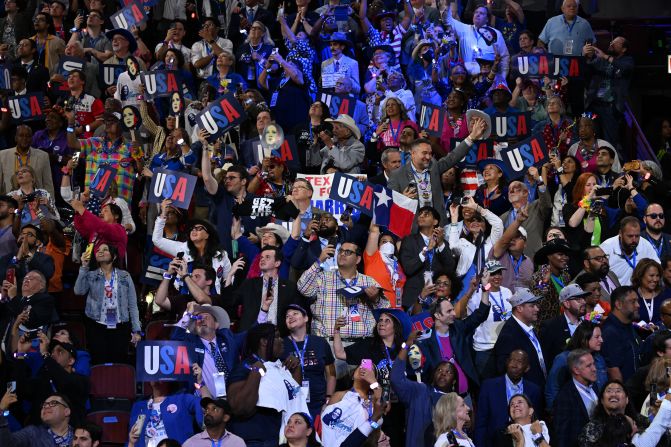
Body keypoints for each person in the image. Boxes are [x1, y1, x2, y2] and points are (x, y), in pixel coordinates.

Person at [388, 117, 488, 224]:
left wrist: (472, 137)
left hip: (437, 227)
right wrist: (402, 199)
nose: (428, 157)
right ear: (413, 153)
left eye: (430, 153)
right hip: (413, 228)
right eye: (424, 153)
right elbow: (389, 207)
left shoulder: (433, 166)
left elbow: (453, 157)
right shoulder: (397, 175)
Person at [227, 323, 306, 447]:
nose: (282, 341)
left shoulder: (278, 366)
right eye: (277, 337)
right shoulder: (244, 368)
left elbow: (293, 398)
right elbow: (240, 408)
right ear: (264, 341)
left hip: (277, 439)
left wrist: (296, 369)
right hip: (254, 440)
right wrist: (255, 373)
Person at [417, 275, 491, 394]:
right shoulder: (426, 340)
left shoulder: (458, 328)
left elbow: (481, 314)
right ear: (438, 316)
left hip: (465, 396)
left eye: (452, 309)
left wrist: (486, 287)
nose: (454, 313)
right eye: (449, 311)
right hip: (439, 399)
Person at [390, 329, 458, 447]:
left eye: (448, 372)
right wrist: (407, 345)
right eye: (439, 370)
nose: (443, 373)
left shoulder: (457, 402)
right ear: (433, 375)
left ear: (454, 381)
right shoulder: (419, 390)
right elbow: (396, 378)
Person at [75, 243, 141, 364]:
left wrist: (136, 329)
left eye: (105, 250)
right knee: (99, 361)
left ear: (114, 256)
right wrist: (84, 267)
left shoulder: (125, 276)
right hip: (97, 326)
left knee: (119, 362)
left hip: (120, 326)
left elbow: (132, 304)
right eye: (98, 250)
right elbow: (78, 291)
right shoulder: (91, 275)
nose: (100, 252)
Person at [154, 201, 231, 294]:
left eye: (199, 228)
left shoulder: (221, 254)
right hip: (186, 299)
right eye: (192, 229)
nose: (194, 230)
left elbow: (228, 278)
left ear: (207, 235)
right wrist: (163, 214)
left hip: (212, 301)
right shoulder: (182, 248)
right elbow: (156, 240)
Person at [171, 303, 244, 396]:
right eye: (198, 318)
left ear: (216, 325)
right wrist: (189, 314)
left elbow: (251, 334)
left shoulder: (227, 339)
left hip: (234, 397)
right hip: (204, 401)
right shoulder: (191, 342)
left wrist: (264, 311)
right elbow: (175, 338)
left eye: (206, 317)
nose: (201, 320)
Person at [475, 350, 543, 447]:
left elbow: (535, 420)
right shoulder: (488, 386)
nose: (514, 365)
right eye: (511, 360)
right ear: (507, 362)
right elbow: (481, 423)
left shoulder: (534, 390)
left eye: (519, 361)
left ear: (527, 368)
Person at [283, 304, 336, 419]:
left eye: (295, 314)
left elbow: (331, 374)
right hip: (290, 403)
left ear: (306, 318)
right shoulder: (281, 344)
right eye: (287, 316)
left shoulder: (320, 343)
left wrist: (328, 399)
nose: (290, 317)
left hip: (318, 403)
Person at [399, 206, 455, 310]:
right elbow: (408, 268)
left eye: (426, 214)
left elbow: (450, 268)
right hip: (413, 297)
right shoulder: (409, 240)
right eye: (420, 214)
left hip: (436, 299)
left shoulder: (443, 243)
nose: (421, 216)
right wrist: (426, 250)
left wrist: (441, 243)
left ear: (435, 221)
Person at [234, 246, 303, 331]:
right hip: (252, 335)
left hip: (279, 336)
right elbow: (231, 303)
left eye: (267, 257)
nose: (262, 260)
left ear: (277, 263)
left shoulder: (290, 287)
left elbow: (297, 311)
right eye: (261, 257)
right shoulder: (249, 284)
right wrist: (230, 276)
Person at [583, 36, 634, 147]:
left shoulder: (627, 61)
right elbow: (588, 68)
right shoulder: (602, 60)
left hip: (610, 108)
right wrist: (587, 57)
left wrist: (606, 57)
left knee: (609, 142)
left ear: (624, 49)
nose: (611, 43)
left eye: (615, 43)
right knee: (590, 138)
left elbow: (624, 69)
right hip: (593, 105)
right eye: (611, 41)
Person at [493, 288, 548, 388]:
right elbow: (505, 370)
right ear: (519, 308)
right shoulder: (509, 334)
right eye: (532, 306)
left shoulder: (529, 327)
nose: (537, 309)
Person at [128, 380, 204, 447]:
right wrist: (131, 443)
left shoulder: (183, 399)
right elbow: (132, 440)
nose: (155, 374)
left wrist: (201, 383)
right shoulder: (138, 405)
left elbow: (206, 416)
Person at [444, 3, 510, 77]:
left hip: (488, 80)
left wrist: (502, 78)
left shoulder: (495, 33)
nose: (477, 14)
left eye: (481, 13)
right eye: (476, 12)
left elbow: (504, 57)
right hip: (465, 80)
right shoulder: (463, 29)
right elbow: (447, 20)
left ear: (487, 19)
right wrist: (447, 3)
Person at [552, 349, 599, 447]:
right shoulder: (564, 398)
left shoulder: (594, 386)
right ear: (576, 370)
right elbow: (562, 436)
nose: (594, 369)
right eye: (588, 366)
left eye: (593, 364)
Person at [448, 197, 504, 278]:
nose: (475, 222)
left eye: (479, 220)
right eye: (472, 220)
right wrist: (454, 219)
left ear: (486, 225)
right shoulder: (463, 242)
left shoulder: (492, 241)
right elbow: (452, 247)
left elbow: (498, 223)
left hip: (485, 283)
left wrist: (477, 208)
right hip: (464, 284)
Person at [540, 283, 589, 371]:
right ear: (566, 303)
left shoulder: (588, 325)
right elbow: (545, 360)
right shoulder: (551, 327)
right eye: (578, 299)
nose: (584, 302)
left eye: (583, 298)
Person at [600, 216, 660, 286]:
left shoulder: (645, 244)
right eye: (630, 236)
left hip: (639, 292)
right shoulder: (606, 248)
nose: (634, 240)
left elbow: (657, 267)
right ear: (620, 233)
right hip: (615, 294)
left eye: (637, 236)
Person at [499, 180, 552, 258]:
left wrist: (540, 182)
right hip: (509, 262)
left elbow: (546, 203)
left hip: (533, 258)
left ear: (525, 193)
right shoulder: (502, 218)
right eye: (510, 190)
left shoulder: (536, 207)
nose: (511, 191)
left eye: (516, 189)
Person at [0, 393, 75, 446]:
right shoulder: (32, 433)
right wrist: (1, 410)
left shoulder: (80, 435)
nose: (46, 406)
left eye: (53, 403)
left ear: (66, 411)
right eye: (44, 404)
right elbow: (6, 444)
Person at [0, 125, 54, 198]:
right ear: (15, 138)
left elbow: (48, 184)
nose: (24, 138)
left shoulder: (43, 156)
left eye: (28, 136)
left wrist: (50, 206)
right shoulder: (2, 155)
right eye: (21, 135)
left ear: (31, 138)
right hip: (12, 202)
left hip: (36, 203)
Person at [601, 286, 641, 383]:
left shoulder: (628, 324)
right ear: (618, 304)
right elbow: (613, 371)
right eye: (633, 301)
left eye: (637, 301)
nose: (638, 305)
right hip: (627, 392)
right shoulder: (610, 332)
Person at [364, 224, 406, 308]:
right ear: (378, 245)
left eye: (391, 242)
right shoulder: (373, 257)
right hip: (377, 307)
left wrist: (398, 308)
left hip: (394, 310)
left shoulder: (396, 264)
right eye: (384, 241)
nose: (388, 244)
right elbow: (374, 231)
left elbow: (398, 289)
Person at [632, 259, 671, 324]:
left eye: (657, 276)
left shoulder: (667, 294)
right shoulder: (630, 295)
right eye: (651, 276)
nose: (655, 279)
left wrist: (659, 327)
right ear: (640, 275)